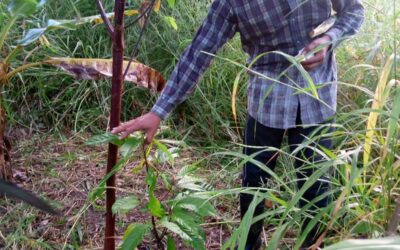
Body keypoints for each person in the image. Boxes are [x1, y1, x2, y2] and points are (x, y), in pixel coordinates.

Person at [112, 0, 364, 249]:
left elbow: (354, 10)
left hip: (317, 99)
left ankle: (315, 245)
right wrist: (158, 112)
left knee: (316, 191)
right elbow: (199, 52)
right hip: (266, 102)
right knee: (254, 188)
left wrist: (330, 37)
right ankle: (249, 244)